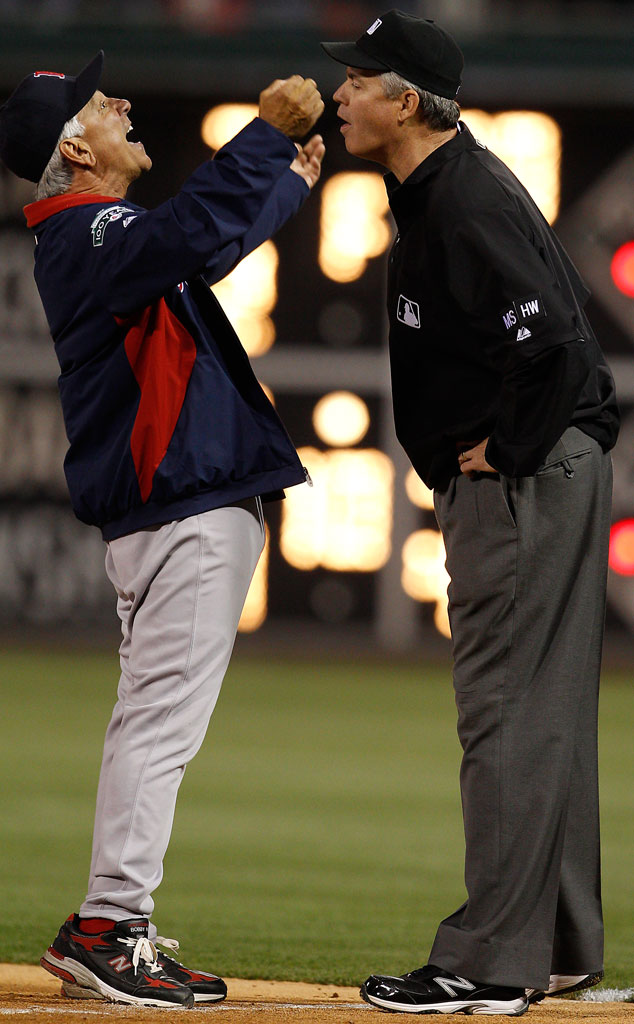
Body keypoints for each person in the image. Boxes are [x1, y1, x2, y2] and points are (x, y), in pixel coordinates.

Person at [0, 53, 324, 1008]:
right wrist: (261, 138)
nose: (123, 103)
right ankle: (109, 926)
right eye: (100, 104)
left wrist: (278, 188)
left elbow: (198, 249)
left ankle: (112, 922)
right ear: (73, 147)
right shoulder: (86, 226)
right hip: (180, 508)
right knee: (157, 727)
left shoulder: (101, 232)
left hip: (180, 507)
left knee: (154, 722)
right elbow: (182, 236)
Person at [322, 9, 618, 1016]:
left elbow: (558, 350)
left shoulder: (462, 201)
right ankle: (562, 943)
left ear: (406, 101)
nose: (341, 94)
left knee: (503, 709)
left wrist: (512, 447)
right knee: (546, 713)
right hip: (554, 474)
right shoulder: (448, 185)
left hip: (526, 483)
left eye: (357, 80)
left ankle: (488, 962)